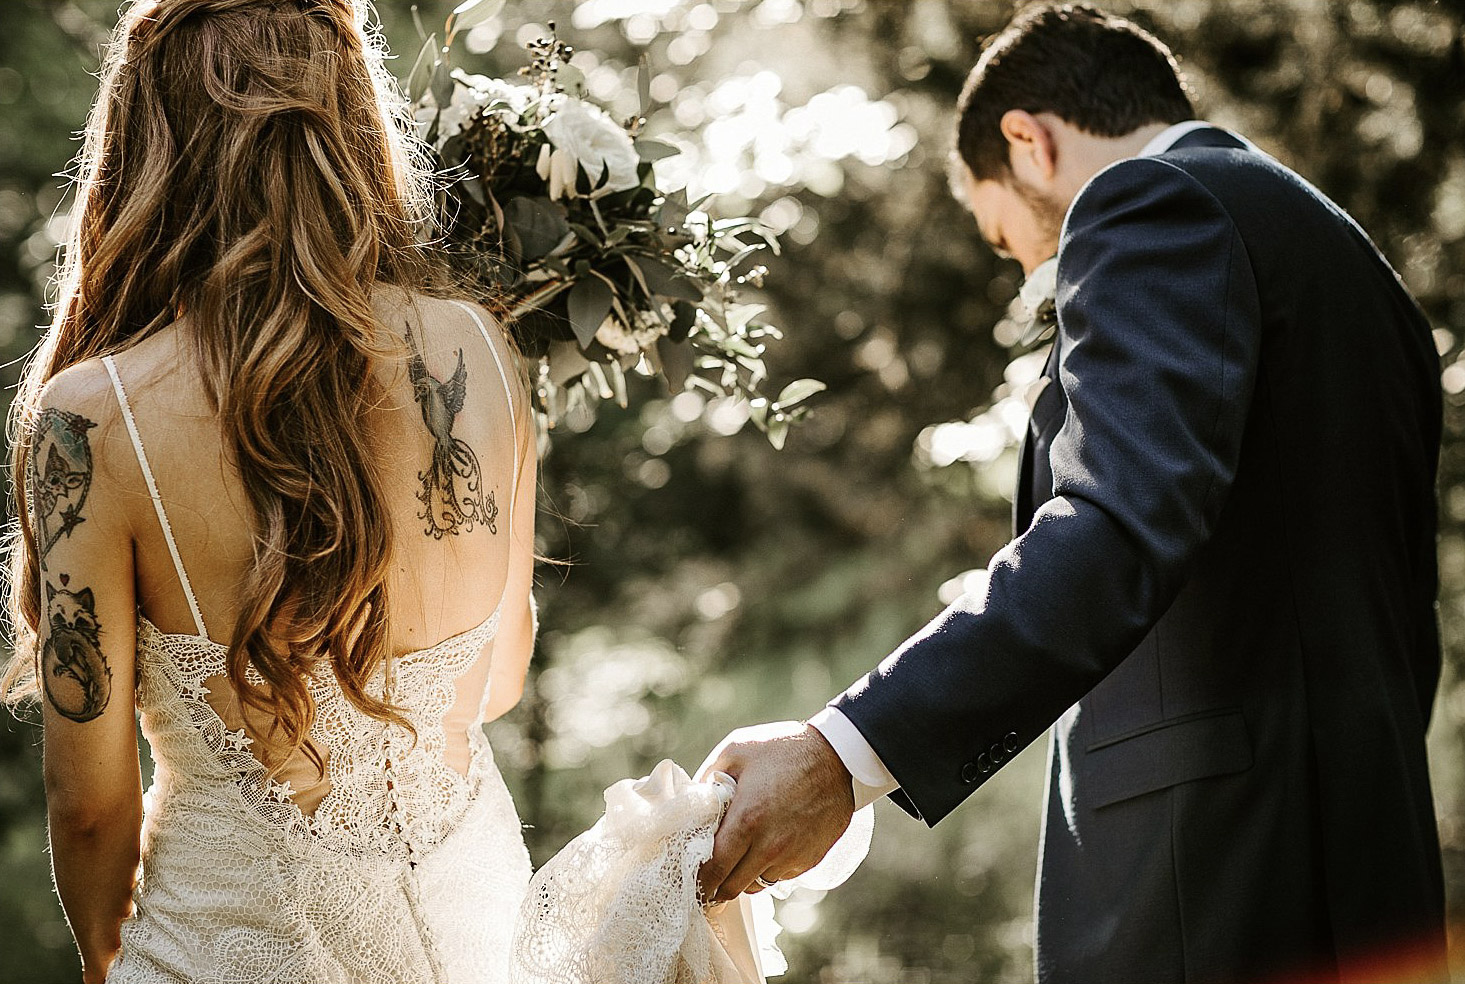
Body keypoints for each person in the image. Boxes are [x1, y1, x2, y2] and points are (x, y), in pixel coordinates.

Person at [697, 5, 1449, 982]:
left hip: (1206, 872)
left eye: (1006, 233)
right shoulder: (1350, 262)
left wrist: (847, 753)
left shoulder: (1150, 201)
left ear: (1028, 140)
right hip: (1368, 850)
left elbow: (1111, 527)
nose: (1030, 268)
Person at [0, 1, 537, 981]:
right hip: (482, 929)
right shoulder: (481, 350)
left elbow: (88, 805)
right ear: (352, 127)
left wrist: (104, 963)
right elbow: (495, 682)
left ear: (145, 146)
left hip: (229, 946)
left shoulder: (92, 422)